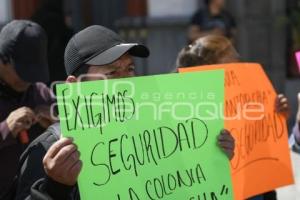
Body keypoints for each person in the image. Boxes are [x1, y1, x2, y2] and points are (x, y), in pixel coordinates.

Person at [15, 25, 235, 200]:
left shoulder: (156, 136)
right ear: (75, 85)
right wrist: (55, 189)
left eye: (129, 69)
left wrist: (212, 159)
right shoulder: (47, 150)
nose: (126, 83)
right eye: (111, 73)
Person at [176, 35, 290, 200]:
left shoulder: (250, 102)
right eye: (231, 68)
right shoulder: (183, 115)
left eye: (238, 63)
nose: (240, 70)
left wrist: (276, 118)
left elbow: (265, 155)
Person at [0, 20, 55, 199]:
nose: (28, 80)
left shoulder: (40, 92)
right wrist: (6, 129)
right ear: (3, 60)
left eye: (34, 73)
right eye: (23, 72)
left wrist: (57, 124)